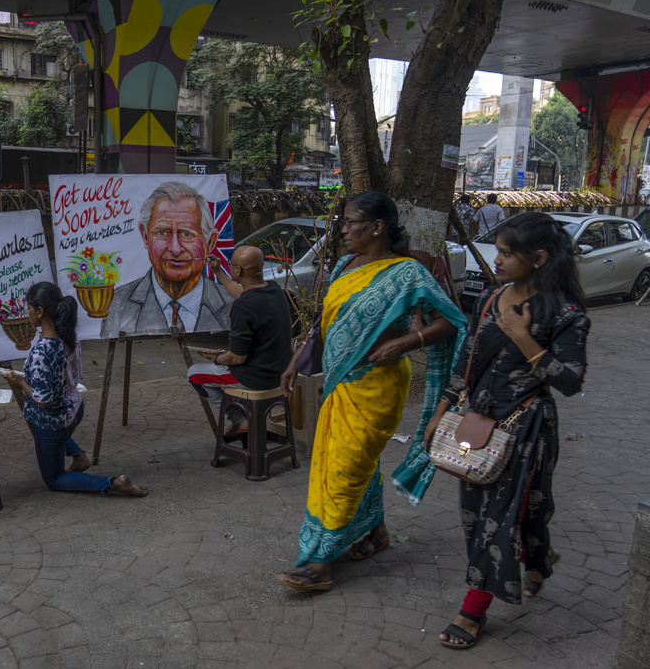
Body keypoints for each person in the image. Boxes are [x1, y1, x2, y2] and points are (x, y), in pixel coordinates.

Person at [275, 191, 467, 592]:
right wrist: (296, 362)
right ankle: (377, 533)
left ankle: (318, 562)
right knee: (346, 464)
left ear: (376, 227)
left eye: (349, 222)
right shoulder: (345, 265)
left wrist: (406, 342)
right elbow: (322, 323)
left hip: (378, 387)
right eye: (343, 222)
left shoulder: (407, 274)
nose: (342, 230)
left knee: (344, 468)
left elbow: (450, 320)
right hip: (340, 382)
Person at [427, 212, 589, 649]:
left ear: (538, 258)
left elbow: (571, 381)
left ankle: (473, 610)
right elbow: (467, 358)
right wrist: (441, 411)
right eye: (496, 250)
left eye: (506, 253)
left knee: (496, 522)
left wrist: (525, 339)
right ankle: (537, 560)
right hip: (477, 424)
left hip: (527, 431)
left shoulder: (566, 313)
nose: (496, 259)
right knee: (483, 514)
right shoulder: (491, 297)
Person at [5, 282, 148, 497]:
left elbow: (44, 401)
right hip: (74, 408)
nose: (28, 313)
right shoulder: (69, 337)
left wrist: (20, 383)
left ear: (40, 311)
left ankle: (113, 483)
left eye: (29, 308)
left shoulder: (40, 353)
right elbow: (67, 374)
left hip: (54, 422)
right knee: (51, 433)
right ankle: (79, 457)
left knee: (54, 479)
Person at [100, 181, 231, 338]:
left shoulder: (230, 302)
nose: (175, 249)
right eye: (162, 232)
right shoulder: (117, 303)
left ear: (210, 242)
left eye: (187, 234)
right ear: (145, 236)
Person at [186, 245, 292, 436]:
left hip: (257, 377)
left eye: (231, 265)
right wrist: (219, 272)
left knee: (194, 374)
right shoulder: (274, 290)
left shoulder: (243, 307)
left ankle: (240, 419)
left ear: (238, 270)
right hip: (280, 372)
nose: (230, 267)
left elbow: (237, 358)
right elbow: (244, 295)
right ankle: (243, 418)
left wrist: (216, 359)